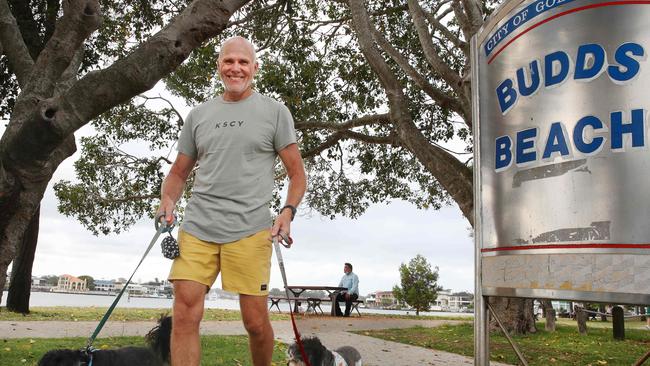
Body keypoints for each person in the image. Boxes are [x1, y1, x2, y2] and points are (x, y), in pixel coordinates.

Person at [157, 36, 307, 366]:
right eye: (229, 61)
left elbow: (297, 174)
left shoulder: (275, 112)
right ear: (219, 66)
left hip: (251, 230)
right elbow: (179, 172)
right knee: (183, 313)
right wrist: (167, 200)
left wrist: (287, 212)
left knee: (254, 323)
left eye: (242, 62)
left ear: (254, 68)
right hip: (197, 226)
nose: (235, 68)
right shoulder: (199, 115)